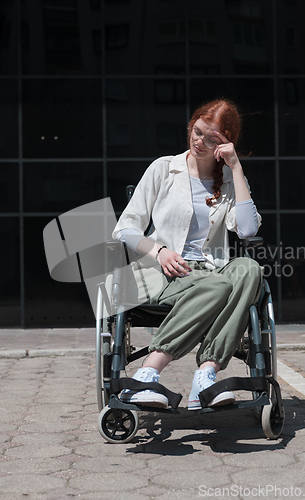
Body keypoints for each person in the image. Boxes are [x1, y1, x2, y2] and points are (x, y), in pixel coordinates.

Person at [113, 98, 262, 410]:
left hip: (210, 272)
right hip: (165, 272)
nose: (200, 142)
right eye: (197, 132)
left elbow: (247, 230)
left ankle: (205, 377)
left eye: (212, 139)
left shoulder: (231, 180)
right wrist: (159, 250)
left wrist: (236, 167)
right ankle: (146, 375)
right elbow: (125, 228)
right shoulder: (164, 169)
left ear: (226, 143)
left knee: (249, 269)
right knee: (219, 285)